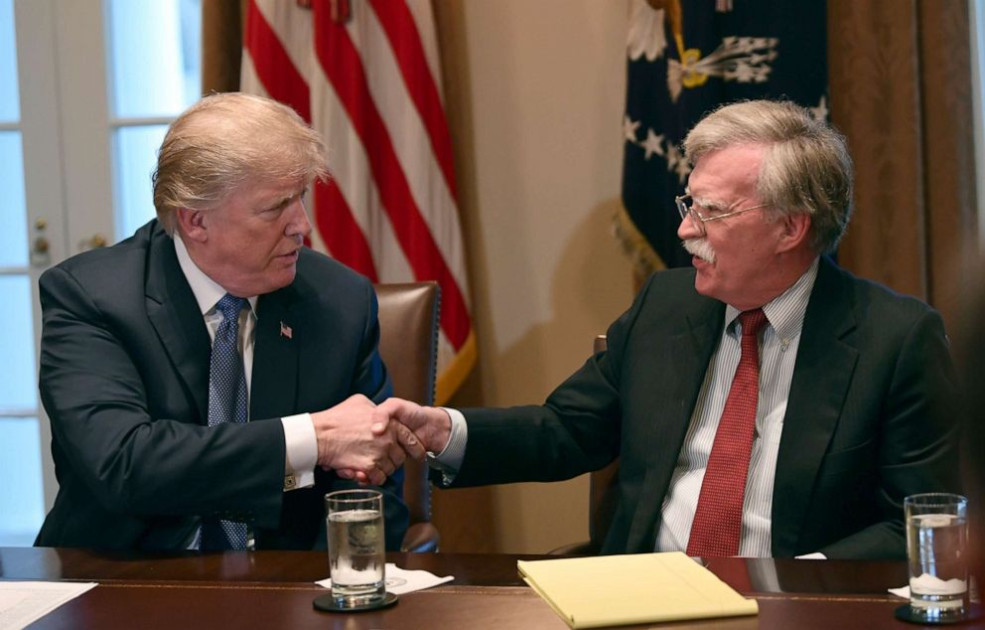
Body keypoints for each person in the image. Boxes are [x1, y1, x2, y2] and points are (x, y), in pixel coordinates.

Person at [381, 100, 961, 559]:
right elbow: (567, 429)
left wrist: (792, 583)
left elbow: (920, 520)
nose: (685, 230)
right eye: (690, 203)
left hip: (794, 607)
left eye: (711, 211)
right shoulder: (666, 304)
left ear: (791, 227)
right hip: (643, 596)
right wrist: (442, 431)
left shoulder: (895, 340)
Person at [35, 93, 423, 552]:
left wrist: (328, 592)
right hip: (123, 579)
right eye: (275, 207)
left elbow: (372, 481)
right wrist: (311, 439)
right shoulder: (91, 297)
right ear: (196, 221)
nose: (302, 225)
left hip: (288, 590)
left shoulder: (339, 301)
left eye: (300, 197)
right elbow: (124, 464)